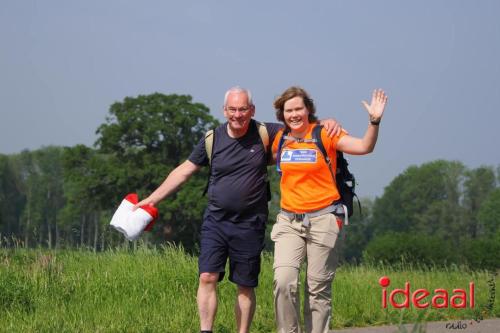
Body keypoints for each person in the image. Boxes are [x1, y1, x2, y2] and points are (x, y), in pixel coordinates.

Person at [134, 86, 342, 333]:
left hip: (250, 222)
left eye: (243, 109)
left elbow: (300, 124)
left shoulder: (267, 133)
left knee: (244, 285)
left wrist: (325, 122)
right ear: (224, 110)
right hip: (216, 220)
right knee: (207, 277)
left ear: (251, 110)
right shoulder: (212, 139)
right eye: (232, 109)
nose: (237, 115)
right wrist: (151, 200)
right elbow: (184, 170)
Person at [271, 86, 388, 333]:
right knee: (283, 281)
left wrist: (374, 121)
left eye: (298, 109)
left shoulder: (326, 133)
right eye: (288, 110)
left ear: (308, 110)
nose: (294, 114)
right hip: (289, 220)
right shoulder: (279, 138)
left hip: (323, 219)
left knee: (317, 289)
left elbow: (364, 146)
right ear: (282, 114)